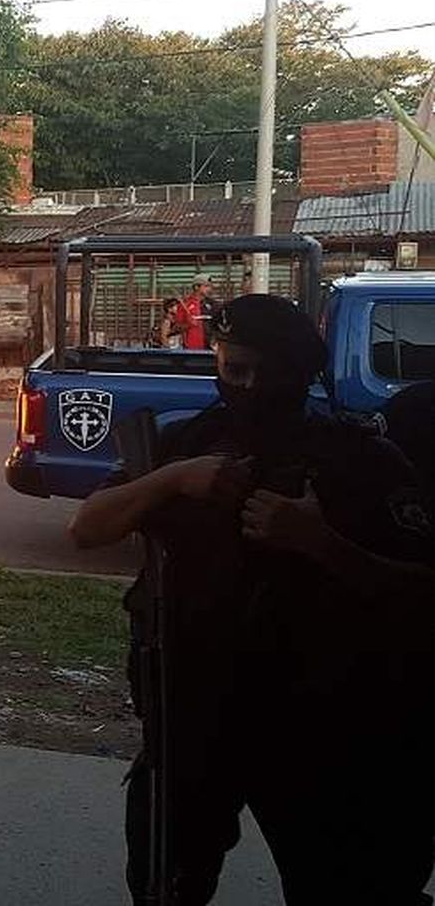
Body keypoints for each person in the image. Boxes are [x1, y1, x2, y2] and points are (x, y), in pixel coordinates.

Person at [70, 294, 435, 906]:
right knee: (168, 886)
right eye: (233, 369)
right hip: (194, 715)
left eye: (269, 374)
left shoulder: (360, 459)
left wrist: (319, 543)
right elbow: (87, 528)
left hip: (321, 728)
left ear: (303, 376)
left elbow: (421, 592)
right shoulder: (181, 444)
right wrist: (173, 481)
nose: (248, 387)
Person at [169, 274, 216, 350]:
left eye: (210, 286)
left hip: (211, 348)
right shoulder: (185, 304)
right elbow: (176, 328)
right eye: (206, 286)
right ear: (196, 287)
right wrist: (188, 325)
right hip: (192, 349)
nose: (209, 289)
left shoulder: (213, 304)